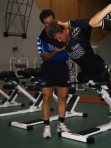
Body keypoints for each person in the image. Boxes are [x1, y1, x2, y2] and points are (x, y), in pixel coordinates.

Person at [46, 19, 111, 114]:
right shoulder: (61, 42)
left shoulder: (78, 34)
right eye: (56, 39)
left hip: (96, 65)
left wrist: (68, 23)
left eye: (59, 37)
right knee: (88, 81)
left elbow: (88, 22)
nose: (59, 40)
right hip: (86, 70)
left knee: (110, 83)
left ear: (65, 30)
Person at [38, 9, 70, 139]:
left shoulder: (63, 33)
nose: (49, 24)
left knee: (62, 98)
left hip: (62, 67)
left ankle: (61, 124)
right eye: (46, 23)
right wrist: (56, 52)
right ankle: (46, 127)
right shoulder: (42, 38)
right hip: (48, 68)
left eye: (51, 21)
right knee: (46, 98)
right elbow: (45, 56)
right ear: (43, 24)